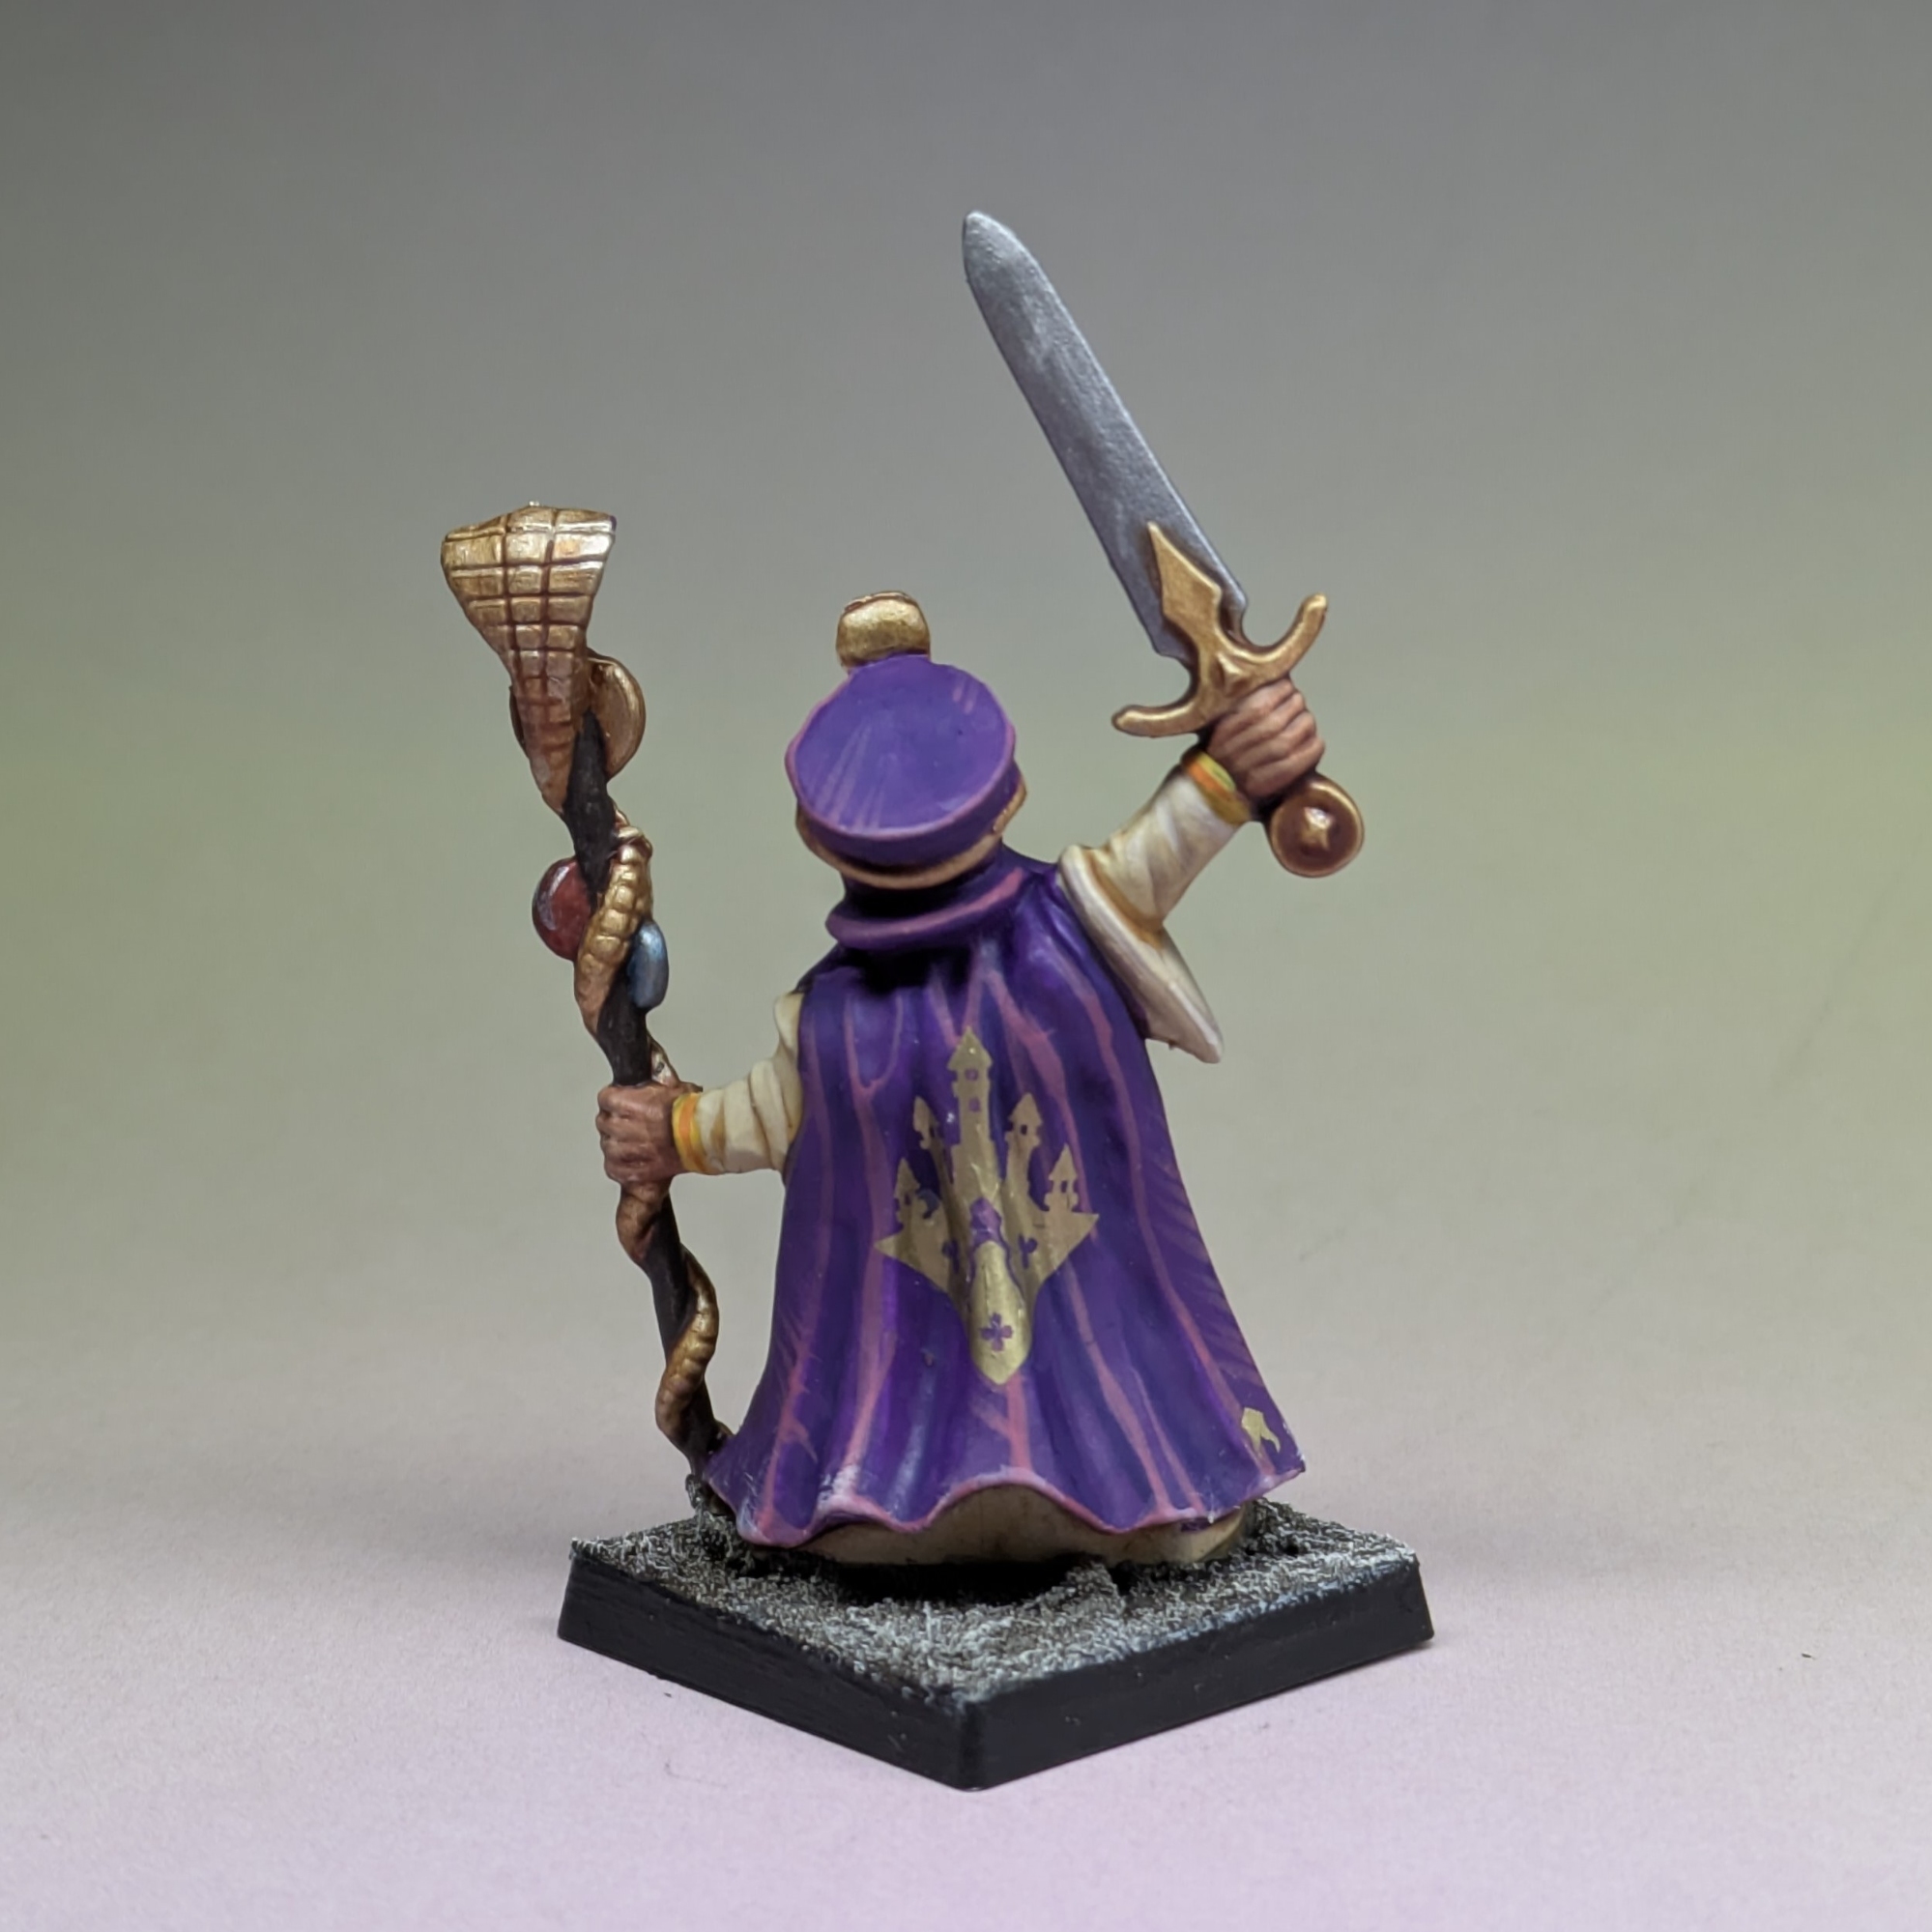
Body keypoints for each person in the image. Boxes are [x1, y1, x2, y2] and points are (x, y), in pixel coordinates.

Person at [596, 592, 1324, 1564]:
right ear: (1005, 798)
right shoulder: (1060, 936)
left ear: (822, 840)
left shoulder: (846, 1019)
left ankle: (955, 1507)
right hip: (996, 1404)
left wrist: (675, 1131)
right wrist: (1232, 768)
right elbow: (1163, 847)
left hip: (981, 1401)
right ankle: (1065, 1499)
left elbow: (761, 1116)